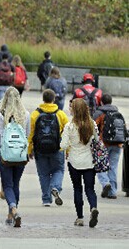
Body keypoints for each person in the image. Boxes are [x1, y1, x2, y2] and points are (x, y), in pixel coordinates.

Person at [0, 87, 30, 227]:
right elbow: (27, 134)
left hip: (5, 155)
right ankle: (11, 214)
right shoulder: (25, 114)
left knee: (7, 185)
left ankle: (13, 209)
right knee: (16, 184)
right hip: (20, 155)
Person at [60, 98, 99, 227]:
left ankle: (80, 217)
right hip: (89, 162)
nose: (69, 109)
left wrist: (68, 142)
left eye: (71, 107)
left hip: (74, 162)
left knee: (77, 189)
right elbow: (97, 141)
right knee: (90, 189)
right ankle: (93, 207)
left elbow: (63, 145)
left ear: (75, 110)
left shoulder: (69, 126)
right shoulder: (92, 124)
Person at [28, 89, 69, 206]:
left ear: (43, 99)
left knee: (43, 174)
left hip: (40, 149)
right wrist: (68, 149)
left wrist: (29, 149)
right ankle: (55, 187)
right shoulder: (61, 114)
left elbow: (31, 133)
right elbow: (67, 133)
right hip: (57, 148)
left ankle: (46, 200)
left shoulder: (35, 114)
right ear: (54, 99)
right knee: (58, 170)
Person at [93, 94, 125, 199]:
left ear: (101, 102)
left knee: (100, 165)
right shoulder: (117, 112)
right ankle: (112, 192)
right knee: (113, 167)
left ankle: (105, 183)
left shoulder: (99, 113)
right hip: (117, 143)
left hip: (104, 144)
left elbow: (93, 126)